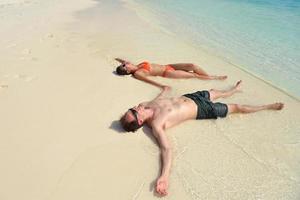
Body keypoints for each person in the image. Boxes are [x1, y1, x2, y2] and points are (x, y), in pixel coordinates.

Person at [119, 80, 284, 196]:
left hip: (192, 96)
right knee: (237, 107)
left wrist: (163, 91)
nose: (134, 107)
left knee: (215, 92)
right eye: (133, 112)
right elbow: (166, 149)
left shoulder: (144, 104)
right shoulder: (156, 124)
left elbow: (157, 100)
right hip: (202, 110)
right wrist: (164, 176)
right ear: (140, 121)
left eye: (130, 108)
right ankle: (267, 107)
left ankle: (233, 90)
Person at [115, 58, 227, 89]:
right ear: (128, 71)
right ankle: (215, 78)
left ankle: (209, 77)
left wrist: (118, 59)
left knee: (193, 66)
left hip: (169, 66)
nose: (125, 63)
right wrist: (162, 86)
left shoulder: (137, 65)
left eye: (124, 64)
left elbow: (124, 61)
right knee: (194, 75)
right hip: (167, 73)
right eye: (124, 65)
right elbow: (149, 80)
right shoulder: (138, 73)